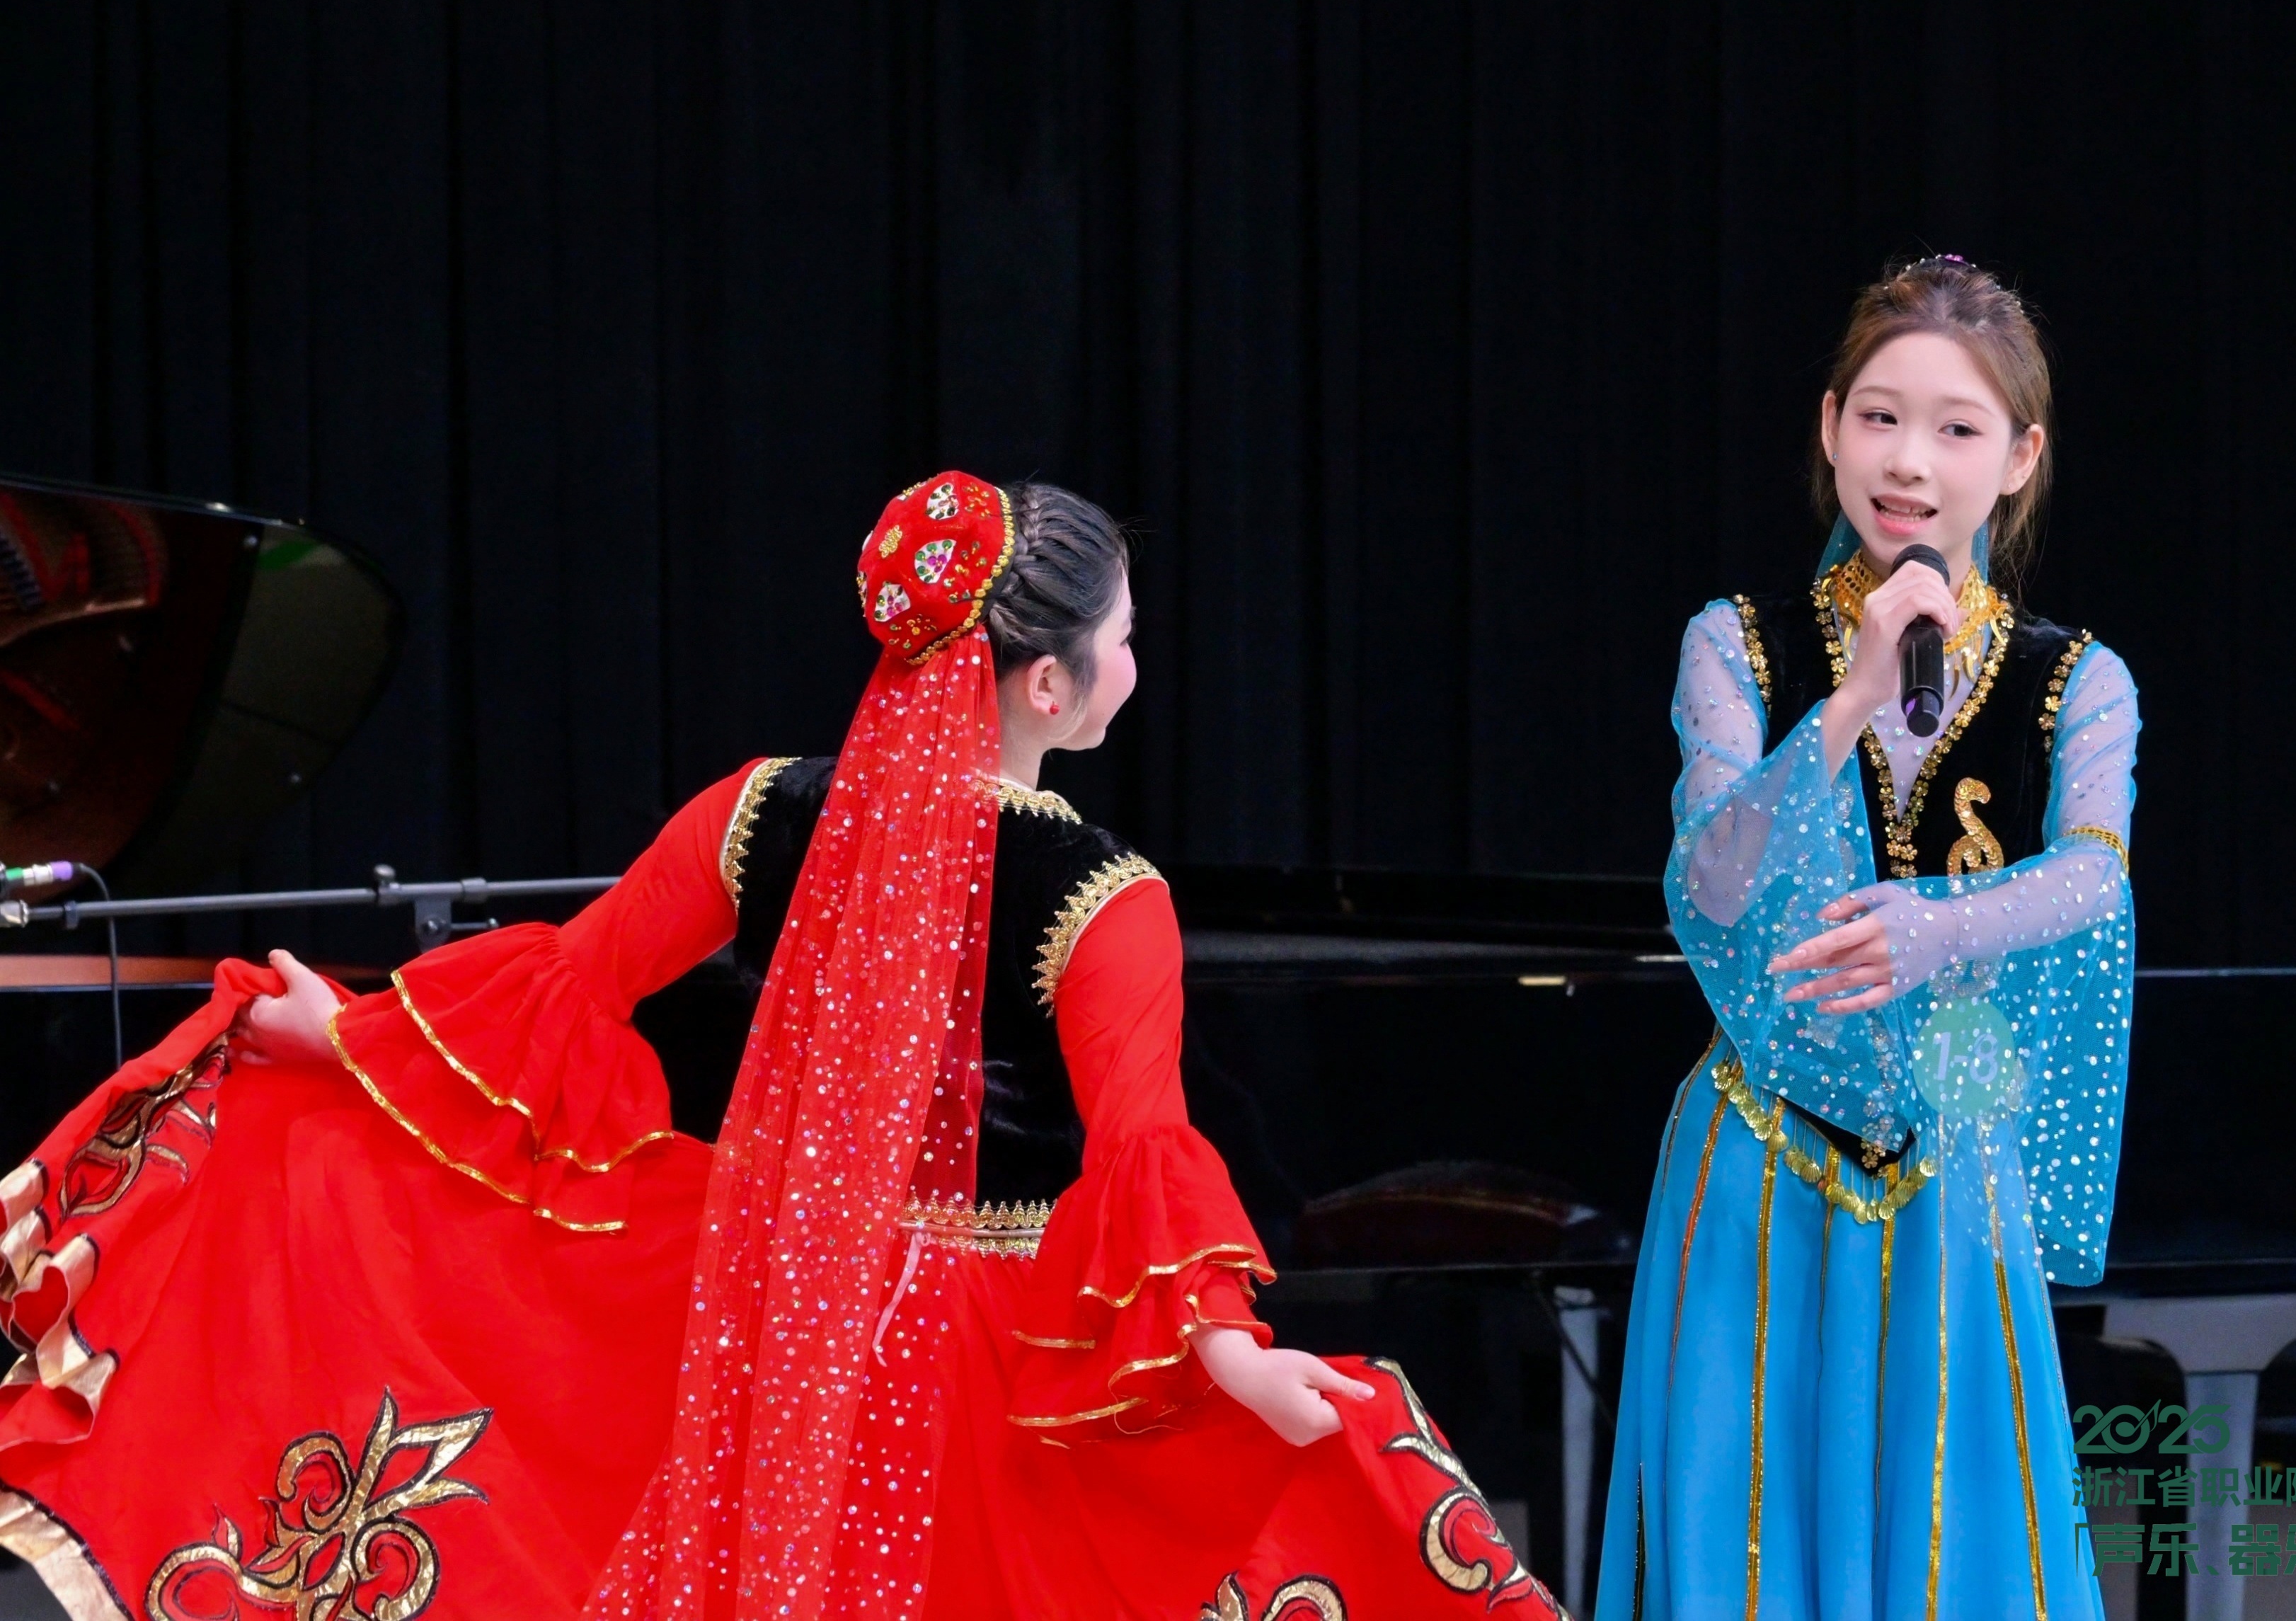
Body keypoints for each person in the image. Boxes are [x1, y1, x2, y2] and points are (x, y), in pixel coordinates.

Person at [1, 474, 1554, 1621]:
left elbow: (575, 984)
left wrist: (345, 1039)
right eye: (1129, 639)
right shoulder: (1106, 897)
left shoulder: (760, 808)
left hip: (765, 1308)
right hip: (986, 1352)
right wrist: (1224, 1350)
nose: (1138, 667)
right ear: (1049, 681)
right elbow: (1143, 1136)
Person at [1597, 258, 2140, 1621]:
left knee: (1954, 1537)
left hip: (1956, 1151)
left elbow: (2093, 876)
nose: (1909, 462)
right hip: (1755, 1152)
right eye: (1880, 417)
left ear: (2018, 459)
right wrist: (1845, 701)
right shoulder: (1736, 644)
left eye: (1956, 429)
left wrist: (1935, 927)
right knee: (1744, 1533)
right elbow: (1711, 880)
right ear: (1831, 427)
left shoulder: (2075, 678)